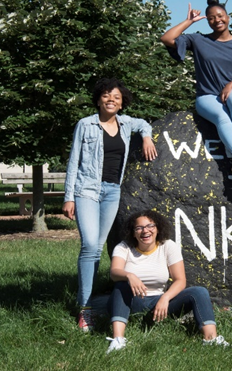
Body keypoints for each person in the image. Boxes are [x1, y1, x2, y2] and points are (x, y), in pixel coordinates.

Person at [63, 78, 157, 332]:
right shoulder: (85, 124)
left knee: (97, 249)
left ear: (121, 101)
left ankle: (90, 299)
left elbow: (143, 124)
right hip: (87, 190)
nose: (111, 100)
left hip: (112, 192)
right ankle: (85, 308)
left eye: (116, 97)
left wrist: (147, 137)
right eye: (106, 96)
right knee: (90, 246)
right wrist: (68, 197)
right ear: (98, 100)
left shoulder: (126, 124)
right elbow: (74, 161)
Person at [161, 0, 232, 176]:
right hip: (208, 97)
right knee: (221, 116)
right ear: (207, 21)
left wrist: (231, 85)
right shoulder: (198, 40)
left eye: (220, 16)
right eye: (211, 18)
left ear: (228, 17)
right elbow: (167, 38)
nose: (217, 20)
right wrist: (189, 21)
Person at [106, 210, 229, 353]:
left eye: (150, 226)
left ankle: (211, 339)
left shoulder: (168, 246)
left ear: (157, 228)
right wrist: (129, 276)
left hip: (159, 304)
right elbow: (114, 273)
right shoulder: (124, 247)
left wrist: (165, 298)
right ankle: (118, 340)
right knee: (121, 285)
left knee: (199, 292)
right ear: (133, 233)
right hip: (130, 302)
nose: (145, 231)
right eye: (139, 228)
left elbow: (180, 280)